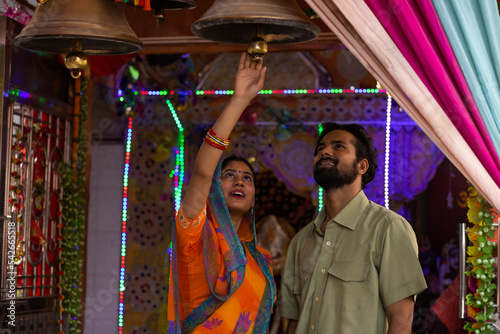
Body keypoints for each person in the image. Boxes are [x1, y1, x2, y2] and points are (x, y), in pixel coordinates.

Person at [280, 123, 427, 334]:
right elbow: (293, 322)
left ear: (362, 166)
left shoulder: (388, 229)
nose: (324, 152)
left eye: (338, 146)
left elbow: (402, 321)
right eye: (320, 148)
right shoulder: (301, 241)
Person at [167, 52, 275, 334]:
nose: (239, 182)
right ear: (214, 190)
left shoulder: (259, 259)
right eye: (229, 176)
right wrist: (239, 100)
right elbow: (203, 172)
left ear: (253, 198)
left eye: (247, 178)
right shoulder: (194, 233)